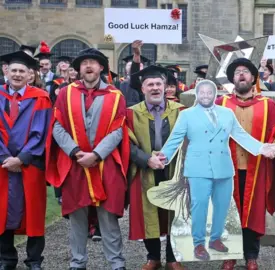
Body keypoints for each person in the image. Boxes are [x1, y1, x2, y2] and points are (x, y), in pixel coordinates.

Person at [158, 80, 275, 261]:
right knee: (200, 207)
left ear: (215, 94)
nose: (206, 95)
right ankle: (199, 243)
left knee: (222, 207)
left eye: (209, 92)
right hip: (198, 168)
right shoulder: (187, 115)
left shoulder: (227, 113)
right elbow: (175, 138)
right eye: (202, 92)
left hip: (223, 168)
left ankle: (215, 239)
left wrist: (262, 148)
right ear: (197, 95)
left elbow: (241, 136)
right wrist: (163, 157)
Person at [46, 48, 129, 270]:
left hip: (105, 164)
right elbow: (56, 125)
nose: (89, 66)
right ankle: (77, 263)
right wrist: (74, 151)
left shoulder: (115, 95)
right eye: (84, 63)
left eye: (93, 62)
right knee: (77, 217)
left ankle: (116, 264)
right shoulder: (65, 93)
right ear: (79, 68)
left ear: (102, 67)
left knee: (108, 218)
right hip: (75, 164)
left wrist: (97, 154)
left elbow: (119, 129)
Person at [217, 58, 275, 270]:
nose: (241, 75)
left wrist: (274, 146)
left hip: (257, 168)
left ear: (253, 78)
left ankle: (251, 255)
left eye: (245, 71)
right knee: (228, 212)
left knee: (253, 211)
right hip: (227, 169)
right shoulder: (221, 104)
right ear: (232, 79)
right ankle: (229, 255)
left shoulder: (267, 104)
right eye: (237, 72)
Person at [126, 65, 185, 270]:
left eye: (158, 84)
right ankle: (153, 257)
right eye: (150, 84)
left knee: (174, 212)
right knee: (148, 211)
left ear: (166, 87)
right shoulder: (131, 113)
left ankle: (172, 258)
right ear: (142, 89)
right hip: (145, 169)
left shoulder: (180, 111)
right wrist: (145, 159)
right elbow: (127, 143)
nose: (155, 88)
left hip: (174, 169)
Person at [0, 51, 52, 270]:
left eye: (22, 71)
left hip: (30, 165)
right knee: (2, 212)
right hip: (2, 165)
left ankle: (34, 260)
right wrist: (5, 158)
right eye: (14, 70)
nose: (18, 74)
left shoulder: (40, 97)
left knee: (34, 212)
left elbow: (41, 132)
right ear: (6, 72)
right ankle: (6, 259)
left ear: (30, 74)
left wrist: (21, 159)